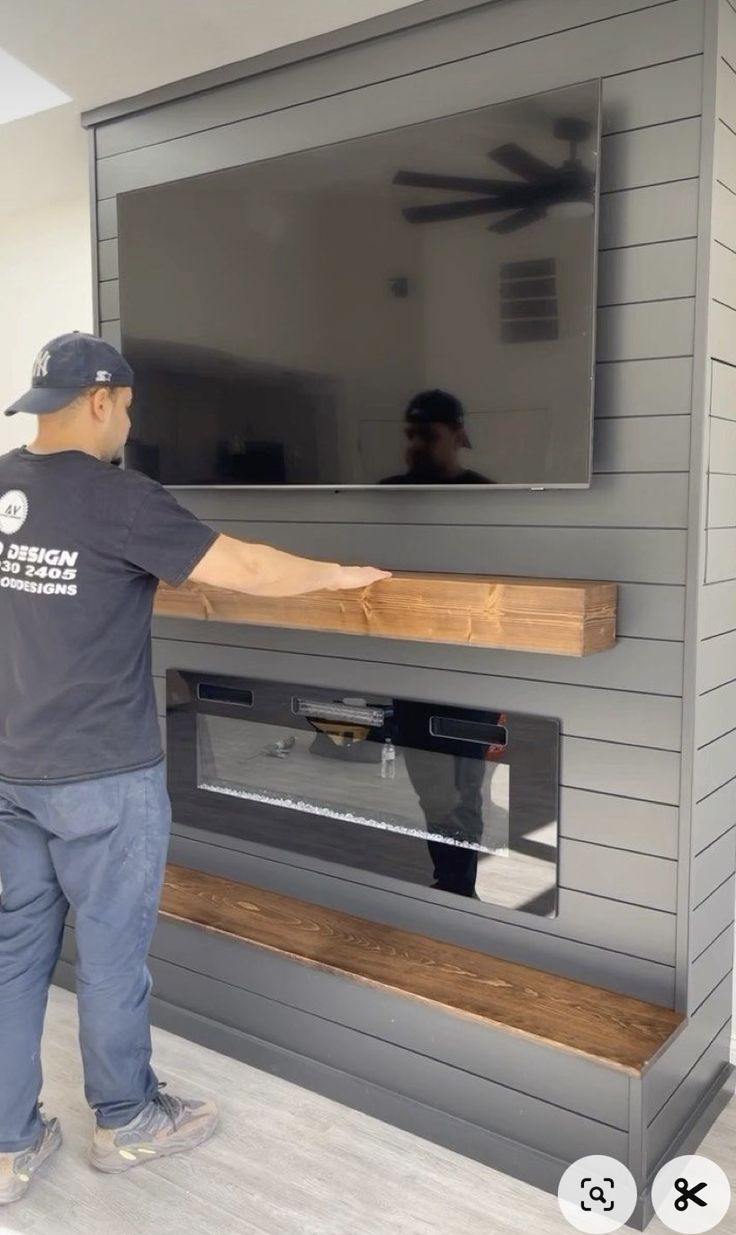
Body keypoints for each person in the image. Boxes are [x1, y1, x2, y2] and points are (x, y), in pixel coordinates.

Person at [0, 332, 391, 1205]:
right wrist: (339, 573)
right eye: (129, 408)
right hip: (102, 775)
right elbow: (243, 566)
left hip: (13, 767)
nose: (128, 424)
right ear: (101, 399)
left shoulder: (2, 484)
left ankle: (6, 1145)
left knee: (13, 953)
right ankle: (128, 1120)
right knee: (109, 958)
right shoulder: (121, 500)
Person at [380, 389, 492, 485]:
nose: (415, 445)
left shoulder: (483, 494)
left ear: (458, 438)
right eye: (410, 435)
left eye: (428, 435)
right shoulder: (387, 494)